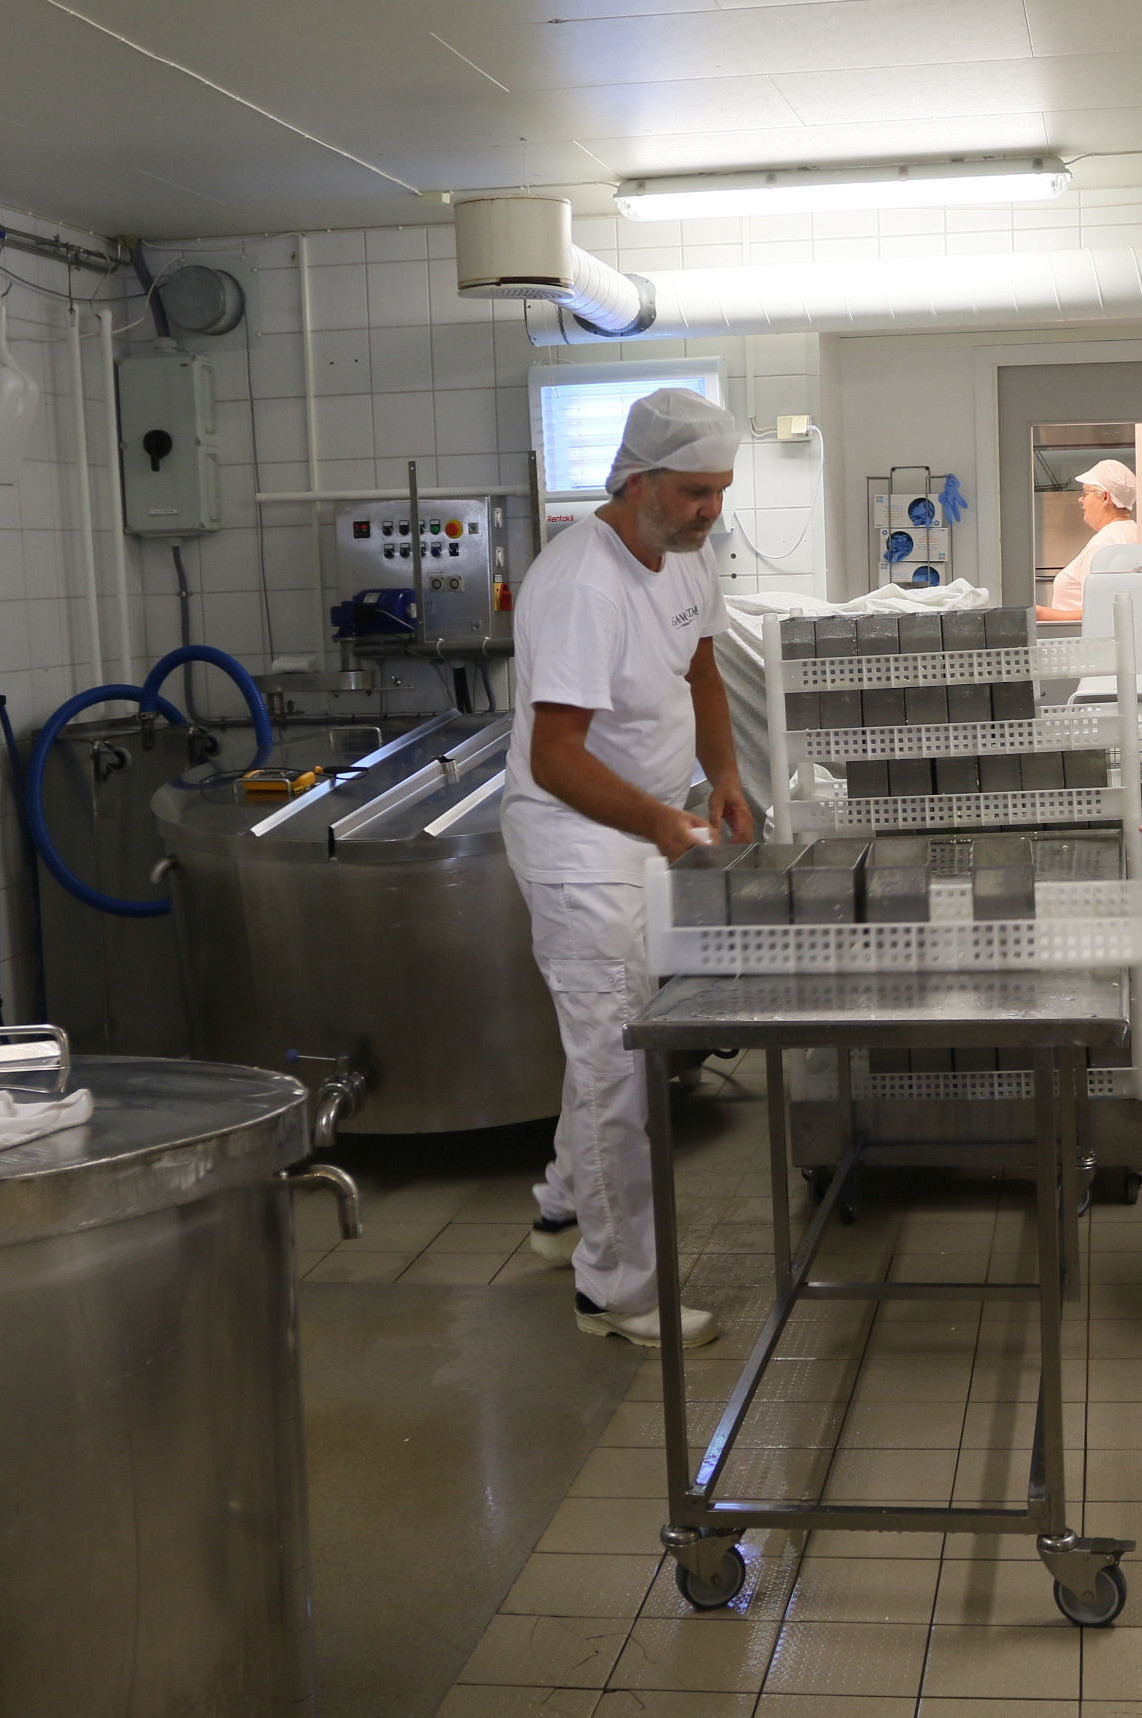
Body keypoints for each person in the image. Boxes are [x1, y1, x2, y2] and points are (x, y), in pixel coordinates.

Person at [502, 387, 753, 1350]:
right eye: (694, 492)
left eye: (720, 492)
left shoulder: (686, 556)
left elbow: (700, 670)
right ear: (638, 481)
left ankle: (564, 1208)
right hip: (577, 838)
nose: (710, 512)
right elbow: (554, 758)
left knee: (608, 1031)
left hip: (643, 826)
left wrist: (722, 776)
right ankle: (616, 1290)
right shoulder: (579, 583)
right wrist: (660, 820)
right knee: (615, 1062)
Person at [1037, 458, 1141, 619]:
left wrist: (1041, 614)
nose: (1080, 499)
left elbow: (1097, 614)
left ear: (1105, 497)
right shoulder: (1135, 532)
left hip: (1085, 641)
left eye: (1085, 493)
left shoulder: (1103, 545)